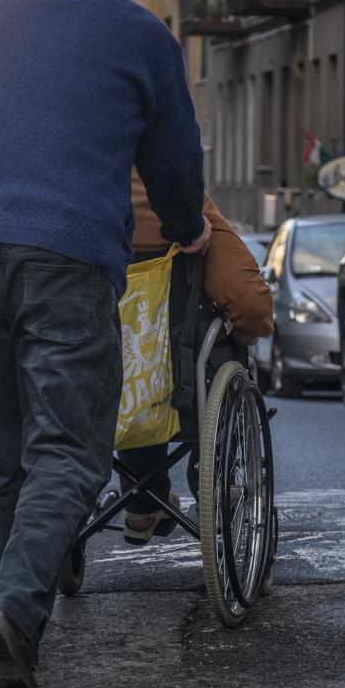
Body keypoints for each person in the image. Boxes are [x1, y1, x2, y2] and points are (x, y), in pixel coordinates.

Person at [0, 0, 211, 688]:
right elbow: (174, 161)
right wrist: (188, 225)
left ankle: (5, 631)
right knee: (70, 448)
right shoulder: (140, 33)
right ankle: (15, 613)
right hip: (66, 255)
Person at [118, 172, 274, 543]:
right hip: (179, 387)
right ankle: (210, 476)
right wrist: (248, 331)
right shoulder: (185, 216)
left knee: (125, 371)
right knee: (205, 349)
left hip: (103, 389)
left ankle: (142, 499)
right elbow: (250, 303)